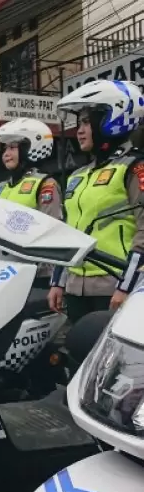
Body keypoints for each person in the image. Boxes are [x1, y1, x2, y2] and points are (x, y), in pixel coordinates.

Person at [48, 80, 144, 324]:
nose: (79, 130)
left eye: (87, 122)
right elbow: (67, 232)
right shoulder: (78, 175)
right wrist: (58, 282)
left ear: (113, 119)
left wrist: (126, 287)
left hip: (114, 287)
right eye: (79, 123)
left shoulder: (134, 167)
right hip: (76, 288)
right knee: (76, 356)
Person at [0, 118, 63, 289]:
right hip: (0, 272)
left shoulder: (45, 183)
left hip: (35, 275)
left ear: (31, 147)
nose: (6, 153)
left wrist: (46, 273)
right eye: (4, 148)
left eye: (12, 147)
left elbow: (53, 230)